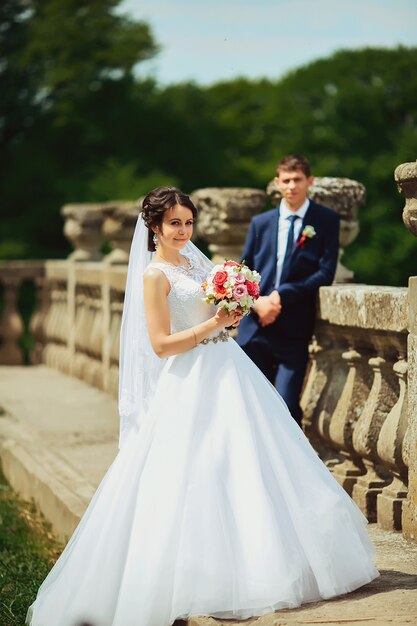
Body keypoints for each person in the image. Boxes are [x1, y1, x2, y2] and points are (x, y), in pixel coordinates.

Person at [27, 186, 378, 626]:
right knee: (199, 469)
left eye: (188, 222)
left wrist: (239, 303)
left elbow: (223, 307)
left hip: (229, 366)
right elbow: (159, 345)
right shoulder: (155, 276)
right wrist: (214, 322)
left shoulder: (197, 260)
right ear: (154, 226)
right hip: (190, 377)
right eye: (174, 223)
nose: (182, 230)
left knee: (250, 460)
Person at [237, 155, 340, 426]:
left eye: (297, 180)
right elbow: (243, 269)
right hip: (255, 328)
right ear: (277, 182)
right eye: (286, 180)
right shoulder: (261, 222)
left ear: (310, 181)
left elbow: (325, 273)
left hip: (294, 329)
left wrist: (283, 295)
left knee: (286, 406)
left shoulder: (326, 220)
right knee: (252, 406)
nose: (292, 186)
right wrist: (257, 302)